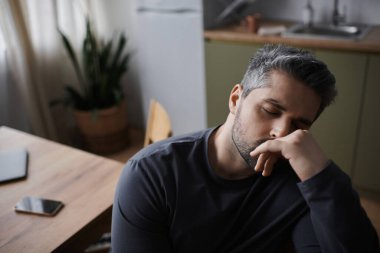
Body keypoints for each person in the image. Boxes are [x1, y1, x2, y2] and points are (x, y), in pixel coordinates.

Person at [111, 44, 379, 253]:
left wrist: (321, 175)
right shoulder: (150, 174)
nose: (282, 132)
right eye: (271, 110)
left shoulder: (302, 182)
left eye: (300, 125)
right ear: (236, 99)